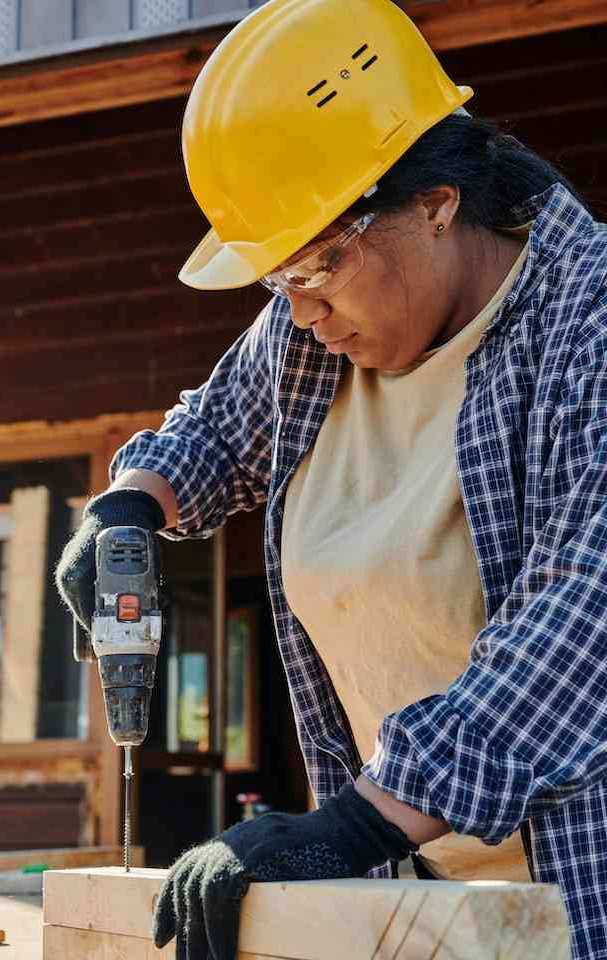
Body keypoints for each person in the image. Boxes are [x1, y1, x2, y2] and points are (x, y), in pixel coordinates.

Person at [56, 0, 607, 957]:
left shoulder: (586, 323)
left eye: (315, 266)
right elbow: (213, 431)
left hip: (572, 899)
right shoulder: (309, 334)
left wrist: (357, 822)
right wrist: (131, 505)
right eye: (277, 279)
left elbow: (580, 621)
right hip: (408, 908)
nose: (300, 310)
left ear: (435, 204)